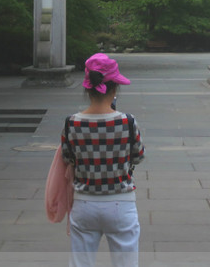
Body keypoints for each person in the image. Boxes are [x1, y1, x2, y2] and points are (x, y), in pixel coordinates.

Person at [62, 53, 145, 267]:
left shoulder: (71, 123)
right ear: (115, 89)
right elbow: (139, 155)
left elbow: (67, 158)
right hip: (121, 202)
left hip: (84, 202)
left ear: (87, 89)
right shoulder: (127, 121)